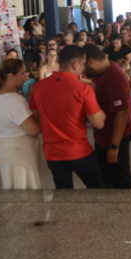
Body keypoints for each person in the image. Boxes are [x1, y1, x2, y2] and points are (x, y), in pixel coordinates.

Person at [29, 45, 106, 189]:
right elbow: (98, 123)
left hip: (52, 154)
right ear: (75, 64)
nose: (84, 68)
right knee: (97, 190)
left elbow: (36, 119)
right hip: (79, 151)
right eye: (83, 64)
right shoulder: (83, 89)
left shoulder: (38, 88)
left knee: (64, 196)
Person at [84, 44, 131, 189]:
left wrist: (114, 146)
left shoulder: (113, 77)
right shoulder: (104, 70)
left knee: (119, 178)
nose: (83, 70)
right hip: (105, 134)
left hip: (115, 136)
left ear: (92, 61)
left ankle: (124, 208)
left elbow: (122, 112)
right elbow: (98, 88)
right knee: (106, 175)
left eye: (84, 66)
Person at [0, 59, 42, 189]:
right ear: (11, 76)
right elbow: (33, 129)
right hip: (19, 151)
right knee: (26, 187)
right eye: (23, 73)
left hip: (4, 147)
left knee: (13, 186)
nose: (26, 76)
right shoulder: (14, 99)